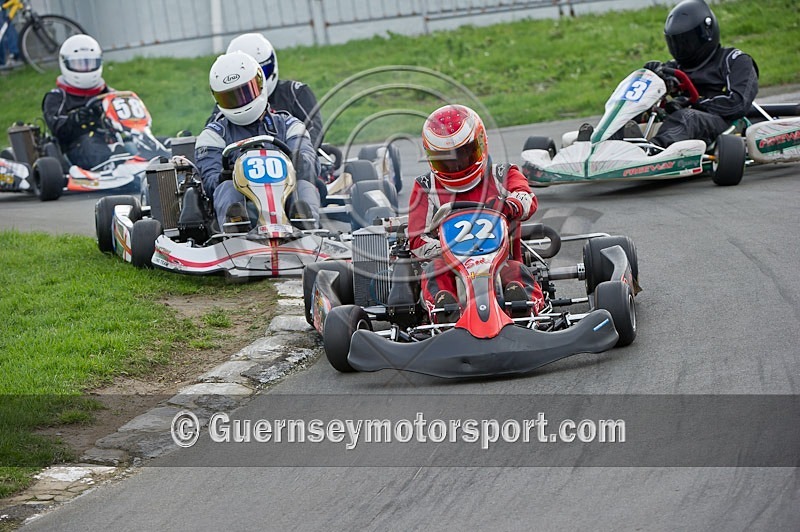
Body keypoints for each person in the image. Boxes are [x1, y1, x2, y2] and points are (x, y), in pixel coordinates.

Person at [407, 104, 544, 323]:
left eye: (463, 154)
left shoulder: (502, 174)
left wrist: (507, 206)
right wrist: (448, 247)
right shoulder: (426, 187)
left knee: (515, 271)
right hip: (451, 264)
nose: (457, 164)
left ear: (480, 144)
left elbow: (526, 198)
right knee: (435, 271)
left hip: (500, 259)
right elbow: (416, 240)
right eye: (446, 159)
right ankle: (445, 313)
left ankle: (523, 308)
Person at [195, 51, 321, 232]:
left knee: (304, 185)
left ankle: (307, 229)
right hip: (246, 205)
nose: (240, 102)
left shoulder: (289, 125)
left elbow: (311, 162)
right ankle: (235, 231)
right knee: (226, 188)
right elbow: (209, 179)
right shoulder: (213, 135)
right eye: (231, 97)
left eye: (245, 92)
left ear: (260, 85)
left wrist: (301, 161)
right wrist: (222, 176)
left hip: (286, 200)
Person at [642, 0, 759, 148]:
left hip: (723, 121)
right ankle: (610, 150)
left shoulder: (734, 60)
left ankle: (652, 151)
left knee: (687, 117)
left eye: (687, 41)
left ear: (706, 34)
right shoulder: (673, 67)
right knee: (629, 118)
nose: (681, 48)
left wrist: (694, 103)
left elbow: (737, 103)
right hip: (679, 124)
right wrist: (650, 75)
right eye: (676, 42)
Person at [208, 33, 324, 148]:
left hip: (288, 162)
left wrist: (299, 154)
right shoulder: (223, 111)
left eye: (252, 82)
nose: (245, 95)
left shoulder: (294, 93)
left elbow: (314, 130)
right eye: (234, 94)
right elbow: (210, 144)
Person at [42, 34, 115, 169]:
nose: (86, 68)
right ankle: (111, 166)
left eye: (90, 63)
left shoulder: (110, 93)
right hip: (75, 147)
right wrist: (76, 119)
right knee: (92, 145)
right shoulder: (57, 97)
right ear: (65, 64)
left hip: (111, 142)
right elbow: (58, 129)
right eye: (79, 64)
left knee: (136, 145)